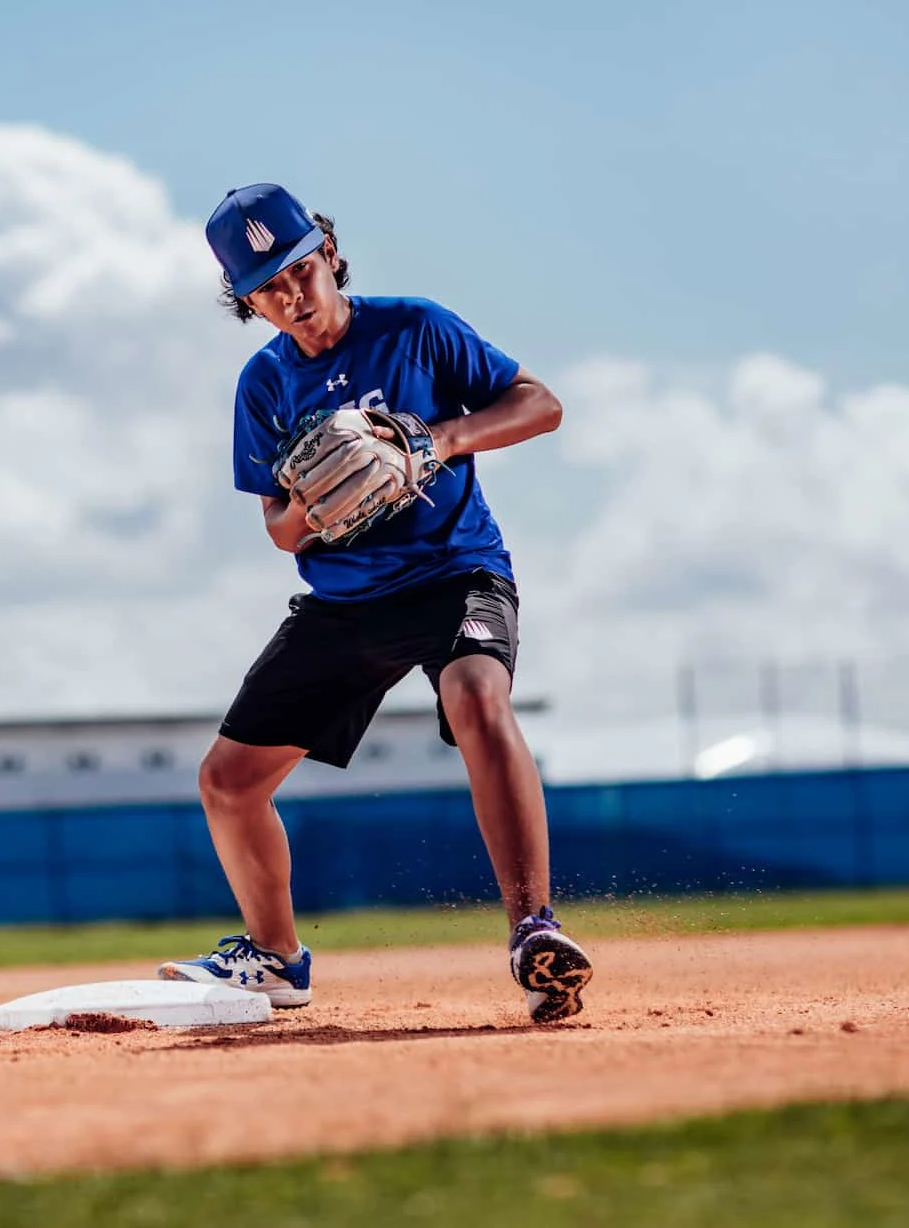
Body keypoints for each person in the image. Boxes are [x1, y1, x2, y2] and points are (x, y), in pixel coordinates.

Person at [158, 185, 594, 1024]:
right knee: (228, 781)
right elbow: (279, 529)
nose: (291, 296)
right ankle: (278, 958)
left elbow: (542, 403)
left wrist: (440, 438)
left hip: (454, 571)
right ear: (245, 300)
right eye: (266, 287)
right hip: (349, 600)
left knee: (475, 695)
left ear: (326, 252)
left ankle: (534, 931)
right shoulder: (264, 385)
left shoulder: (414, 327)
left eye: (299, 270)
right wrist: (316, 506)